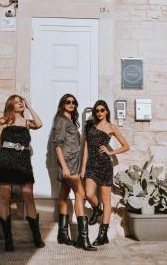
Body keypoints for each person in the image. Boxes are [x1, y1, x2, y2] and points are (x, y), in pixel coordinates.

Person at [0, 95, 45, 251]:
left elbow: (40, 124)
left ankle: (37, 237)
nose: (20, 103)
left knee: (28, 196)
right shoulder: (2, 121)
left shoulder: (27, 123)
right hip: (6, 161)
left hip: (23, 162)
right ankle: (8, 240)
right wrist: (2, 157)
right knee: (4, 198)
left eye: (21, 101)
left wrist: (29, 106)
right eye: (16, 102)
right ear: (10, 105)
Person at [81, 100, 129, 246]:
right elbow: (86, 148)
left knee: (106, 200)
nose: (99, 113)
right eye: (97, 110)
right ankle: (97, 210)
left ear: (107, 111)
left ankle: (103, 235)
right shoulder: (90, 126)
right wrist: (83, 168)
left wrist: (111, 152)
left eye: (102, 110)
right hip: (91, 165)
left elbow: (126, 146)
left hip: (105, 165)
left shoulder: (111, 127)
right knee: (88, 194)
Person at [53, 94, 97, 251]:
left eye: (74, 102)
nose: (71, 104)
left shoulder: (70, 121)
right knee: (81, 194)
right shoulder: (60, 121)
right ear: (62, 104)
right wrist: (64, 167)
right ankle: (83, 239)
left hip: (74, 163)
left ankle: (62, 235)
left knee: (64, 195)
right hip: (68, 165)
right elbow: (57, 145)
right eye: (68, 102)